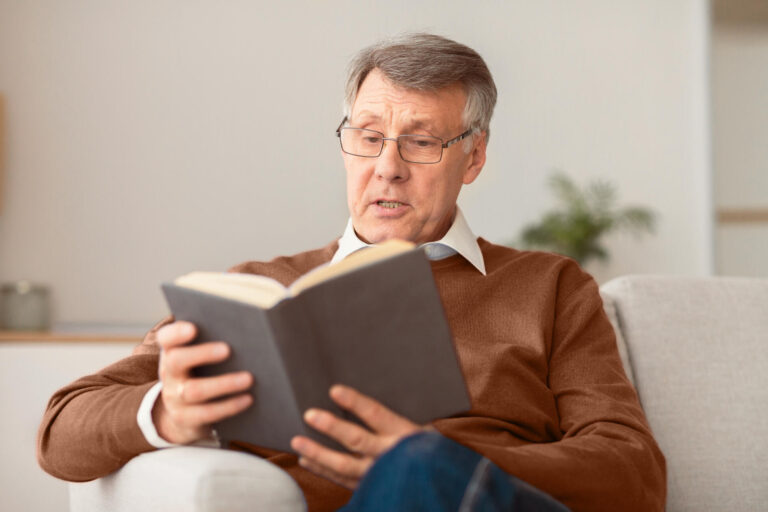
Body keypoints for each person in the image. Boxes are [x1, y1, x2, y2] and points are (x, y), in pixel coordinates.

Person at [38, 33, 665, 511]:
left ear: (472, 158)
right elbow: (59, 432)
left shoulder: (549, 286)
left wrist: (442, 456)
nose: (386, 167)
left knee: (420, 466)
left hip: (483, 498)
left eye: (420, 142)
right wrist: (168, 412)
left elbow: (633, 471)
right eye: (368, 136)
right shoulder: (262, 291)